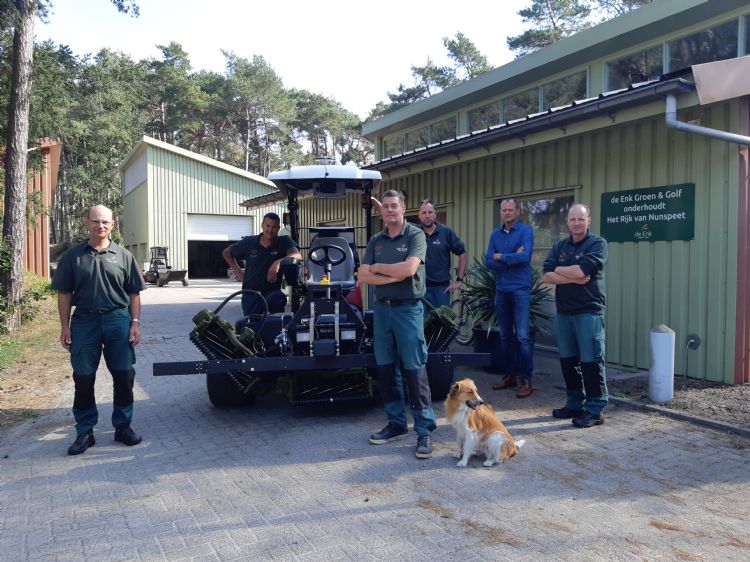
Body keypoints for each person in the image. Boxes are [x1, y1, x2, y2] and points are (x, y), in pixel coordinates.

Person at [52, 205, 146, 455]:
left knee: (124, 376)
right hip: (84, 323)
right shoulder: (73, 257)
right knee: (83, 378)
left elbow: (134, 293)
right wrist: (65, 326)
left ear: (113, 225)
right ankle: (85, 432)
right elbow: (64, 293)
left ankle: (123, 426)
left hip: (118, 321)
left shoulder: (124, 256)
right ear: (87, 223)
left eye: (105, 222)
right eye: (95, 221)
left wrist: (135, 324)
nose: (100, 226)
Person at [358, 190, 436, 459]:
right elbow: (363, 274)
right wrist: (389, 272)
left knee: (414, 369)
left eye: (395, 206)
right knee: (386, 368)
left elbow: (409, 270)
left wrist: (379, 269)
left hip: (408, 311)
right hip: (382, 311)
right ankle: (396, 424)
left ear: (403, 208)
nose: (390, 210)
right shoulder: (376, 241)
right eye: (386, 207)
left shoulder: (415, 235)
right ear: (382, 211)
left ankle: (424, 430)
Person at [542, 203, 608, 428]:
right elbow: (547, 276)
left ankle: (595, 409)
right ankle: (574, 403)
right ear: (567, 222)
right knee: (569, 362)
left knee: (591, 361)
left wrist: (562, 270)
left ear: (589, 220)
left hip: (588, 311)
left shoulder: (598, 244)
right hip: (564, 312)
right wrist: (571, 275)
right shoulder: (560, 246)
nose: (576, 223)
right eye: (572, 219)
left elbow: (583, 271)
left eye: (581, 219)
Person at [485, 198, 536, 398]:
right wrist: (511, 256)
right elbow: (489, 260)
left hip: (520, 290)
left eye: (510, 209)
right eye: (504, 210)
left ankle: (526, 379)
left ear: (517, 211)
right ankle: (511, 375)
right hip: (502, 289)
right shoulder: (495, 234)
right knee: (505, 336)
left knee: (522, 336)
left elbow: (525, 258)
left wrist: (502, 257)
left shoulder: (526, 231)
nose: (507, 212)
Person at [223, 212, 302, 316]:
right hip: (251, 293)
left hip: (272, 292)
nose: (270, 230)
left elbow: (297, 256)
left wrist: (278, 262)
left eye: (274, 227)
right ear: (262, 225)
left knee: (276, 319)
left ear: (278, 228)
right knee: (252, 327)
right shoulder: (249, 242)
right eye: (268, 226)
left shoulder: (284, 241)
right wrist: (239, 272)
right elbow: (226, 253)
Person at [418, 199, 467, 308]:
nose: (427, 215)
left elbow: (462, 253)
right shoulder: (415, 233)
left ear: (435, 215)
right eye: (424, 213)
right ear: (419, 216)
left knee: (441, 323)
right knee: (421, 324)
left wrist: (459, 280)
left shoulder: (446, 232)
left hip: (441, 289)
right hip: (420, 289)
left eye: (430, 212)